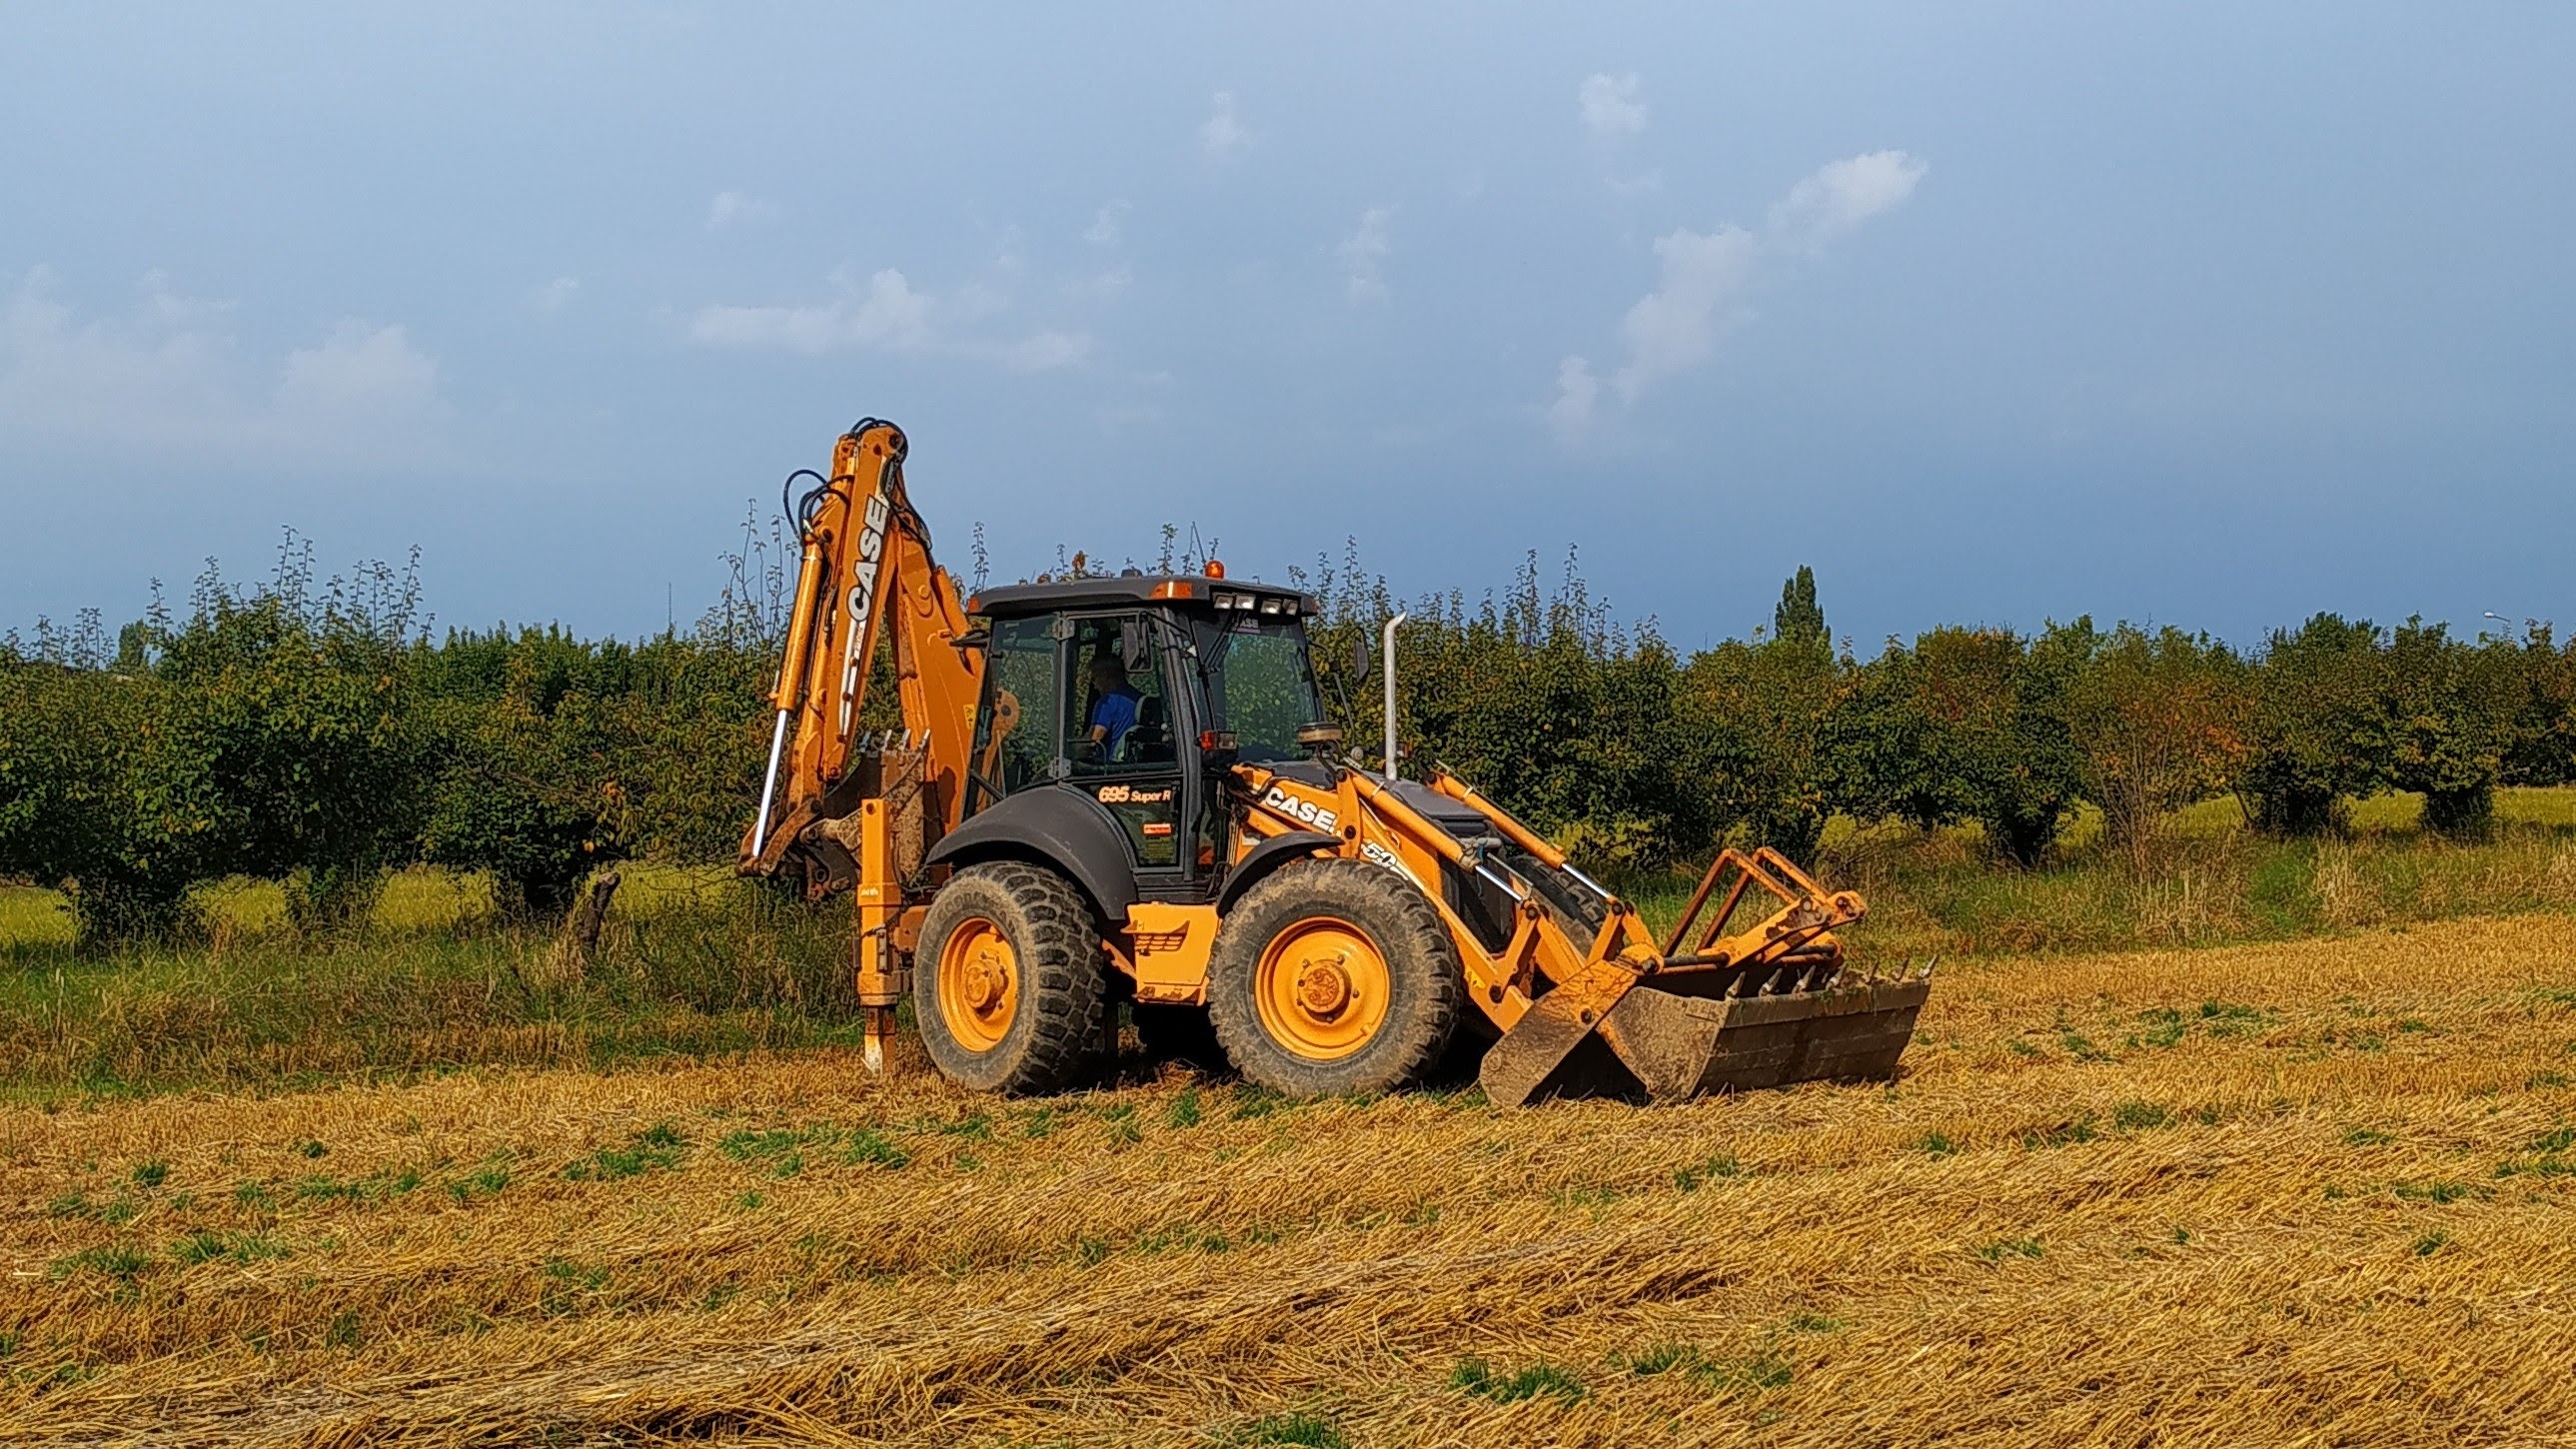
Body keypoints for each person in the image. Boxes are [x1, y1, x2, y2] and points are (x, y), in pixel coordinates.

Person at [1084, 653, 1143, 759]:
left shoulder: (1107, 702)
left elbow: (1092, 741)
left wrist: (1069, 751)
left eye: (1094, 678)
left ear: (1105, 675)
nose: (1094, 686)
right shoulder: (1140, 699)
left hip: (1113, 769)